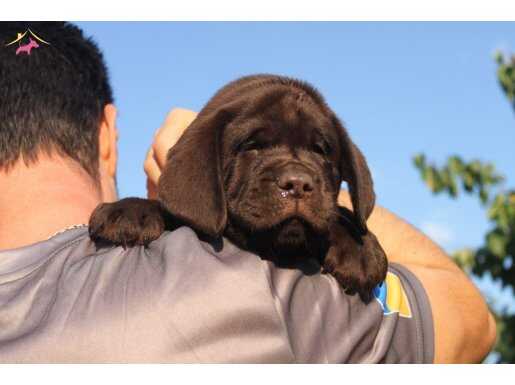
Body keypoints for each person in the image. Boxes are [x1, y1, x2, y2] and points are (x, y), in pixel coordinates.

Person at [0, 21, 495, 363]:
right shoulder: (269, 295)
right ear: (109, 136)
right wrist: (175, 198)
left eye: (321, 154)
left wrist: (343, 224)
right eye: (254, 147)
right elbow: (474, 324)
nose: (296, 179)